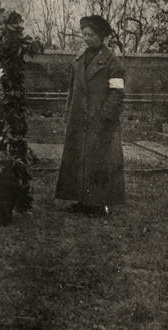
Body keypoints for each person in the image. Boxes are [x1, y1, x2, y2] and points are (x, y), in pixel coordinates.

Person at [55, 15, 126, 216]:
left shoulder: (113, 63)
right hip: (79, 119)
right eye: (84, 34)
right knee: (79, 159)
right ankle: (81, 200)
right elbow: (72, 90)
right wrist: (69, 114)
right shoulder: (78, 59)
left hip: (100, 121)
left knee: (99, 161)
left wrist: (105, 116)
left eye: (91, 35)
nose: (86, 38)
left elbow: (118, 93)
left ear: (101, 36)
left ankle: (98, 203)